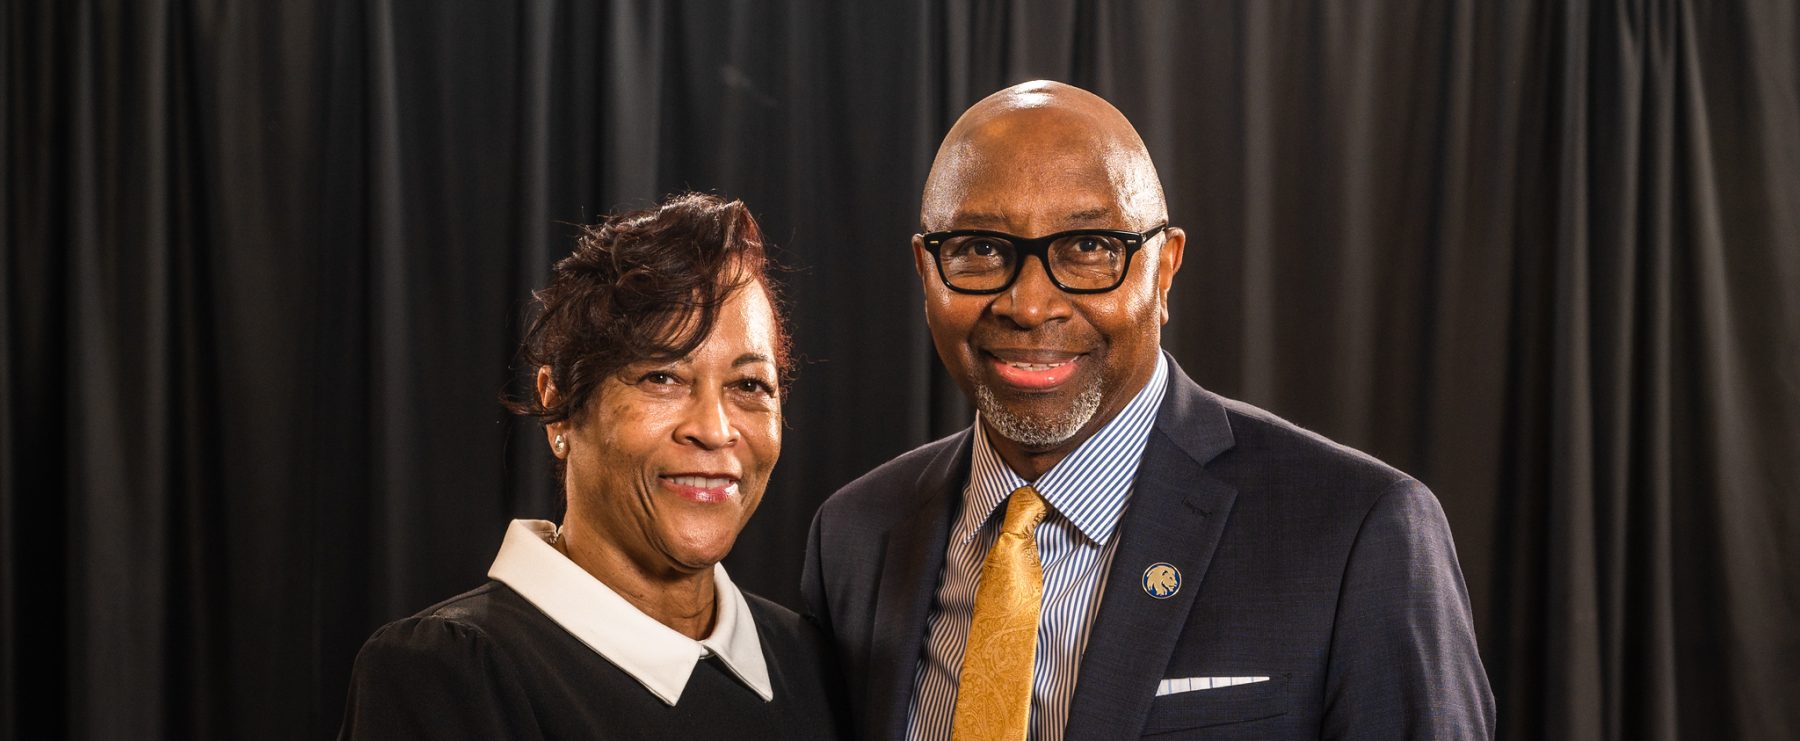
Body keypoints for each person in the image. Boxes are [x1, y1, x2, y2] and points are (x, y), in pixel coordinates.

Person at [803, 81, 1495, 740]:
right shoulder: (855, 538)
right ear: (926, 271)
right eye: (981, 249)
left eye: (1089, 247)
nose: (1030, 303)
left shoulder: (1358, 532)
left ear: (1164, 270)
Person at [341, 193, 840, 740]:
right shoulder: (448, 673)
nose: (715, 429)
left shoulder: (813, 665)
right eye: (662, 377)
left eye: (749, 385)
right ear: (560, 407)